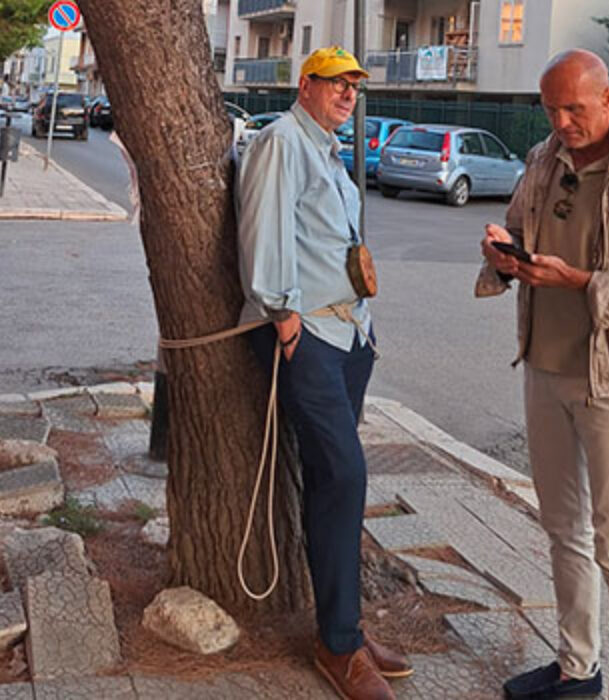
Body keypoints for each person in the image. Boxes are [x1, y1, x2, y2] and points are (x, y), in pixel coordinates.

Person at [475, 49, 609, 700]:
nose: (562, 122)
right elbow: (516, 227)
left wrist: (583, 282)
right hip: (543, 368)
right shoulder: (542, 160)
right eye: (552, 109)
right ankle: (575, 669)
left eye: (575, 108)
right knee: (563, 530)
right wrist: (502, 258)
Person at [237, 46, 410, 700]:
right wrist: (282, 316)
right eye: (336, 84)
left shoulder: (327, 150)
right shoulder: (283, 140)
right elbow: (264, 230)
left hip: (346, 334)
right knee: (344, 472)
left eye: (354, 87)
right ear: (306, 85)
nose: (347, 95)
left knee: (331, 480)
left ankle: (345, 627)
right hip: (303, 333)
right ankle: (339, 647)